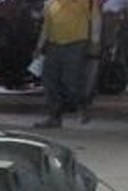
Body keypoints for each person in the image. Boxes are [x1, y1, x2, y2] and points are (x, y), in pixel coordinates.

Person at [33, 0, 102, 128]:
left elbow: (95, 20)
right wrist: (39, 46)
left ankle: (81, 105)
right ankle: (54, 117)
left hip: (76, 44)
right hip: (54, 44)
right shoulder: (50, 3)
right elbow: (46, 26)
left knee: (71, 80)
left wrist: (95, 42)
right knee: (50, 81)